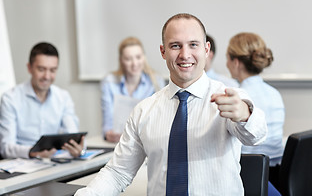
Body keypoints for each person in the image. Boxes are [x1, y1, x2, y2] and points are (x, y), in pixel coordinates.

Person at [75, 13, 267, 195]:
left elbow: (256, 135)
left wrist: (245, 114)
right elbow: (118, 173)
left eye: (193, 44)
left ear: (206, 50)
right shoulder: (144, 110)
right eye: (175, 46)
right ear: (163, 51)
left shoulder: (227, 98)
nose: (185, 54)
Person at [0, 42, 83, 159]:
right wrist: (32, 152)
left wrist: (78, 147)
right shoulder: (10, 98)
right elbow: (6, 148)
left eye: (52, 70)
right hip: (23, 165)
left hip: (54, 162)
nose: (47, 76)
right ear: (29, 68)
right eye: (41, 69)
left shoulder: (63, 97)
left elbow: (72, 133)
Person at [226, 32, 285, 188]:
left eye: (227, 59)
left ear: (236, 62)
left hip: (250, 176)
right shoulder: (275, 94)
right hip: (277, 176)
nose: (226, 64)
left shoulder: (238, 99)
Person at [101, 36, 166, 142]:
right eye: (128, 59)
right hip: (117, 141)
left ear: (144, 57)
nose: (135, 63)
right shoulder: (109, 82)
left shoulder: (156, 81)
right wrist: (108, 134)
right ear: (121, 60)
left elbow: (159, 119)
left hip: (146, 140)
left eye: (138, 57)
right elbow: (107, 120)